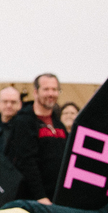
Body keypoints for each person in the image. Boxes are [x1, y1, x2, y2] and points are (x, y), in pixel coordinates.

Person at [10, 73, 68, 203]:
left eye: (54, 89)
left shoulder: (58, 123)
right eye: (46, 89)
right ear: (36, 92)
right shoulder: (24, 121)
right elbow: (27, 162)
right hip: (34, 199)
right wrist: (40, 196)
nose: (51, 94)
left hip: (56, 197)